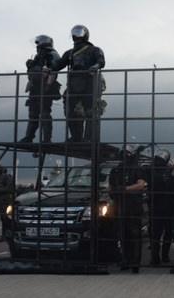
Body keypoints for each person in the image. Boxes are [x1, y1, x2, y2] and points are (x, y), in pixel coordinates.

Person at [52, 25, 105, 142]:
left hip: (89, 84)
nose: (76, 36)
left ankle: (88, 138)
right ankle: (76, 137)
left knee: (91, 111)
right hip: (73, 85)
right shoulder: (69, 53)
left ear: (85, 34)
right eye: (74, 33)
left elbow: (101, 61)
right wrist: (47, 67)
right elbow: (58, 65)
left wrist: (95, 66)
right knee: (69, 111)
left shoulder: (94, 50)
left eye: (79, 32)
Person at [108, 145, 146, 273]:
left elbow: (141, 184)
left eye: (127, 153)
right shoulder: (116, 170)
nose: (124, 156)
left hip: (133, 206)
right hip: (120, 205)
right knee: (123, 234)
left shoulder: (137, 169)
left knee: (134, 234)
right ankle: (126, 260)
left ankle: (135, 263)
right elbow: (110, 187)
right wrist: (115, 193)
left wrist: (125, 189)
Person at [19, 34, 61, 142]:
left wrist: (48, 86)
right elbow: (32, 74)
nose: (37, 44)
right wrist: (29, 66)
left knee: (45, 114)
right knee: (33, 114)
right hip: (35, 88)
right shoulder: (38, 56)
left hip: (45, 87)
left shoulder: (52, 54)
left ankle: (47, 139)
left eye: (39, 42)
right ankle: (29, 137)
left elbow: (54, 71)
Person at [0, 165, 14, 241]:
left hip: (3, 200)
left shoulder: (6, 177)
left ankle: (4, 234)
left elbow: (9, 188)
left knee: (4, 218)